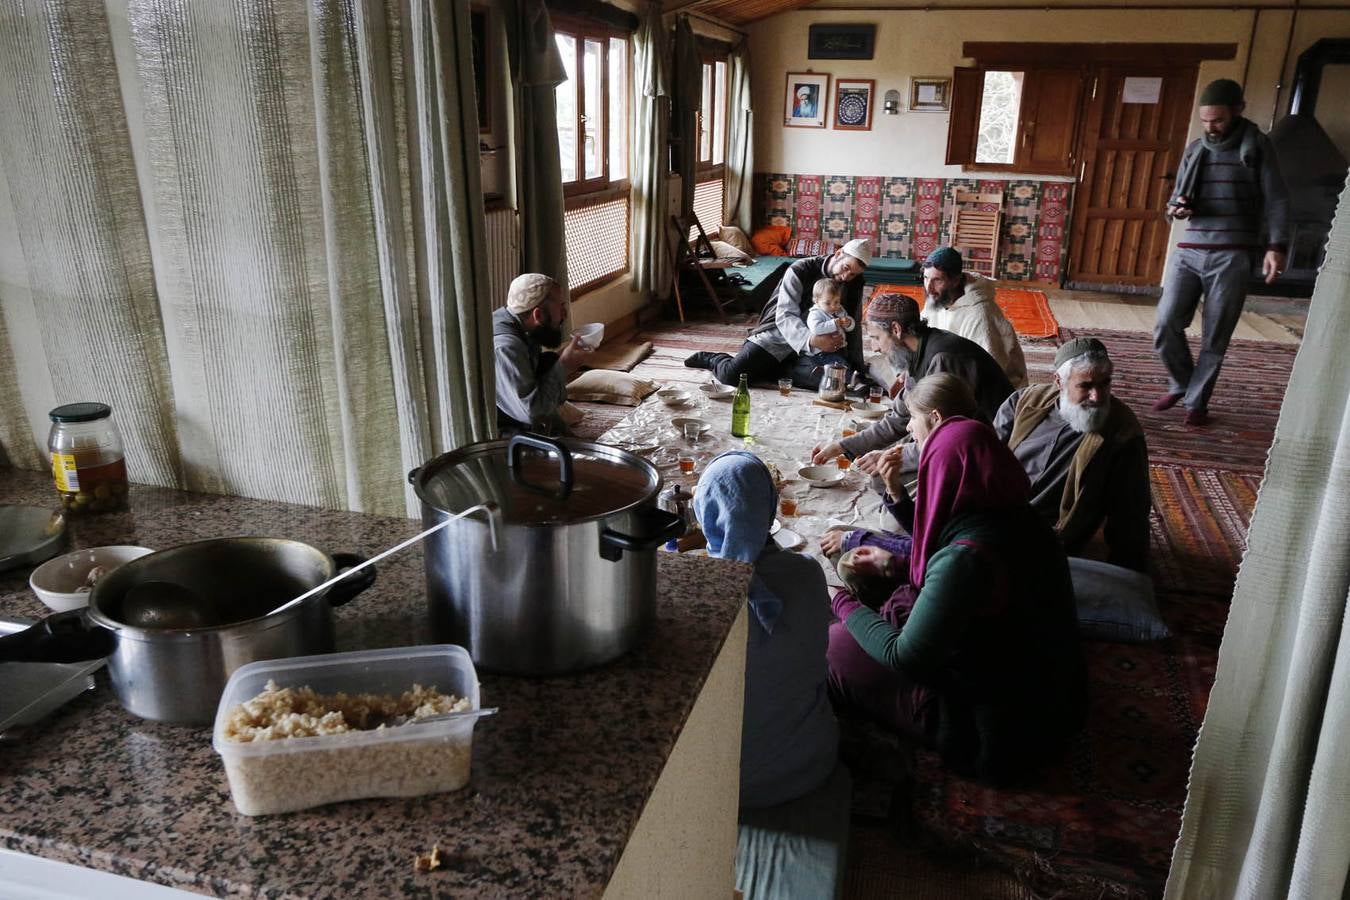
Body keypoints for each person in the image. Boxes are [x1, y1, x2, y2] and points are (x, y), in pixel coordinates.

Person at [824, 416, 1087, 784]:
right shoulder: (1021, 519)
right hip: (1052, 702)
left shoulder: (966, 556)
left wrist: (840, 602)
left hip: (992, 733)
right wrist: (896, 565)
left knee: (834, 643)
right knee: (890, 603)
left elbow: (904, 655)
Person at [693, 452, 839, 808]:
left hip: (721, 782)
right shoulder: (808, 572)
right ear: (769, 508)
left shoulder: (696, 593)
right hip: (808, 766)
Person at [1153, 78, 1289, 426]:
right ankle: (1182, 382)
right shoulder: (1195, 149)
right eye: (1205, 121)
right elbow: (1175, 201)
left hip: (1233, 254)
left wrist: (1276, 247)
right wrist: (1177, 208)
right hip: (1189, 250)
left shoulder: (1258, 148)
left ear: (1238, 110)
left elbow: (1276, 199)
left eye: (1218, 120)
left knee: (1215, 335)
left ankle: (1197, 403)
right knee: (1166, 323)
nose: (1211, 127)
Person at [993, 337, 1151, 572]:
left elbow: (1130, 515)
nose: (1097, 396)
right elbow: (986, 459)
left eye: (1105, 383)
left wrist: (1130, 577)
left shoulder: (1123, 434)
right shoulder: (1023, 402)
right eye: (1086, 386)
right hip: (993, 514)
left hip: (1045, 539)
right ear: (1059, 381)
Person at [810, 292, 1012, 470]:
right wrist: (842, 447)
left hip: (993, 452)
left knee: (885, 475)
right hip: (958, 442)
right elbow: (899, 418)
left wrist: (894, 456)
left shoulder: (943, 359)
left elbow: (947, 438)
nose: (875, 348)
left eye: (876, 338)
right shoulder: (915, 354)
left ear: (896, 329)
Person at [819, 372, 978, 561]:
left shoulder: (953, 467)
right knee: (839, 534)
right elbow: (923, 530)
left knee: (842, 549)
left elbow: (928, 549)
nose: (908, 427)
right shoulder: (959, 448)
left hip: (943, 566)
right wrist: (895, 491)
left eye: (913, 417)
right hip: (938, 555)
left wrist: (856, 540)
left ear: (936, 417)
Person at [685, 239, 871, 388]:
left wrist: (858, 366)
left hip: (821, 346)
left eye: (853, 274)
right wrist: (811, 340)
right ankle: (715, 359)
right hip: (780, 333)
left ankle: (776, 367)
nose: (846, 277)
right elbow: (785, 314)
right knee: (732, 376)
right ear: (838, 254)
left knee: (834, 381)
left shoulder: (853, 283)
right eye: (846, 268)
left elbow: (853, 323)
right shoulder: (801, 269)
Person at [492, 273, 592, 435]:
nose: (565, 314)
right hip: (502, 431)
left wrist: (559, 362)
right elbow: (534, 414)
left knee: (550, 361)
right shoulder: (506, 348)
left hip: (521, 413)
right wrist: (563, 367)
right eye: (560, 307)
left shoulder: (520, 322)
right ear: (537, 315)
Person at [920, 246, 1027, 388]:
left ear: (955, 280)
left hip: (991, 390)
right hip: (951, 375)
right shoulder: (937, 298)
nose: (929, 288)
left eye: (937, 280)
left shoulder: (980, 316)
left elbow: (988, 373)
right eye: (926, 278)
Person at [803, 278, 856, 373]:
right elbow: (816, 329)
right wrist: (834, 323)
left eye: (837, 302)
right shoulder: (815, 313)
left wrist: (849, 323)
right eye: (828, 303)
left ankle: (845, 374)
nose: (833, 306)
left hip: (840, 349)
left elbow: (848, 326)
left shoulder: (839, 310)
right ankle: (848, 378)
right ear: (816, 301)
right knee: (840, 367)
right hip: (823, 352)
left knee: (845, 364)